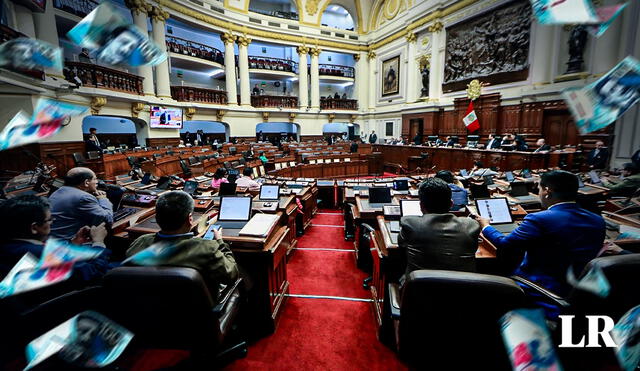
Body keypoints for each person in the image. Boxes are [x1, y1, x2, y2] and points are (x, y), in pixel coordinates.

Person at [474, 170, 605, 304]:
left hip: (540, 288)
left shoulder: (539, 219)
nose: (539, 194)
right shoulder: (597, 220)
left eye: (539, 189)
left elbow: (505, 244)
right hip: (580, 289)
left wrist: (486, 226)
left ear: (547, 191)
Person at [126, 191, 239, 298]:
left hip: (149, 309)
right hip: (196, 310)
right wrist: (220, 242)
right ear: (190, 219)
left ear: (156, 219)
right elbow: (232, 274)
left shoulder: (139, 243)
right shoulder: (206, 248)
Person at [0, 195, 113, 282]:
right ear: (34, 228)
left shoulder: (9, 247)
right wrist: (98, 242)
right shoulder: (39, 253)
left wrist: (75, 243)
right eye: (49, 219)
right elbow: (93, 273)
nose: (52, 222)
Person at [398, 178, 480, 278]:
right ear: (451, 204)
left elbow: (401, 245)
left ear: (421, 206)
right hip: (462, 291)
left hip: (419, 291)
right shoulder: (471, 225)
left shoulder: (410, 224)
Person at [49, 168, 113, 241]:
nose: (97, 182)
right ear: (86, 182)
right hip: (68, 245)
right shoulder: (83, 197)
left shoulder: (56, 192)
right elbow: (108, 220)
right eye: (95, 179)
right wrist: (103, 199)